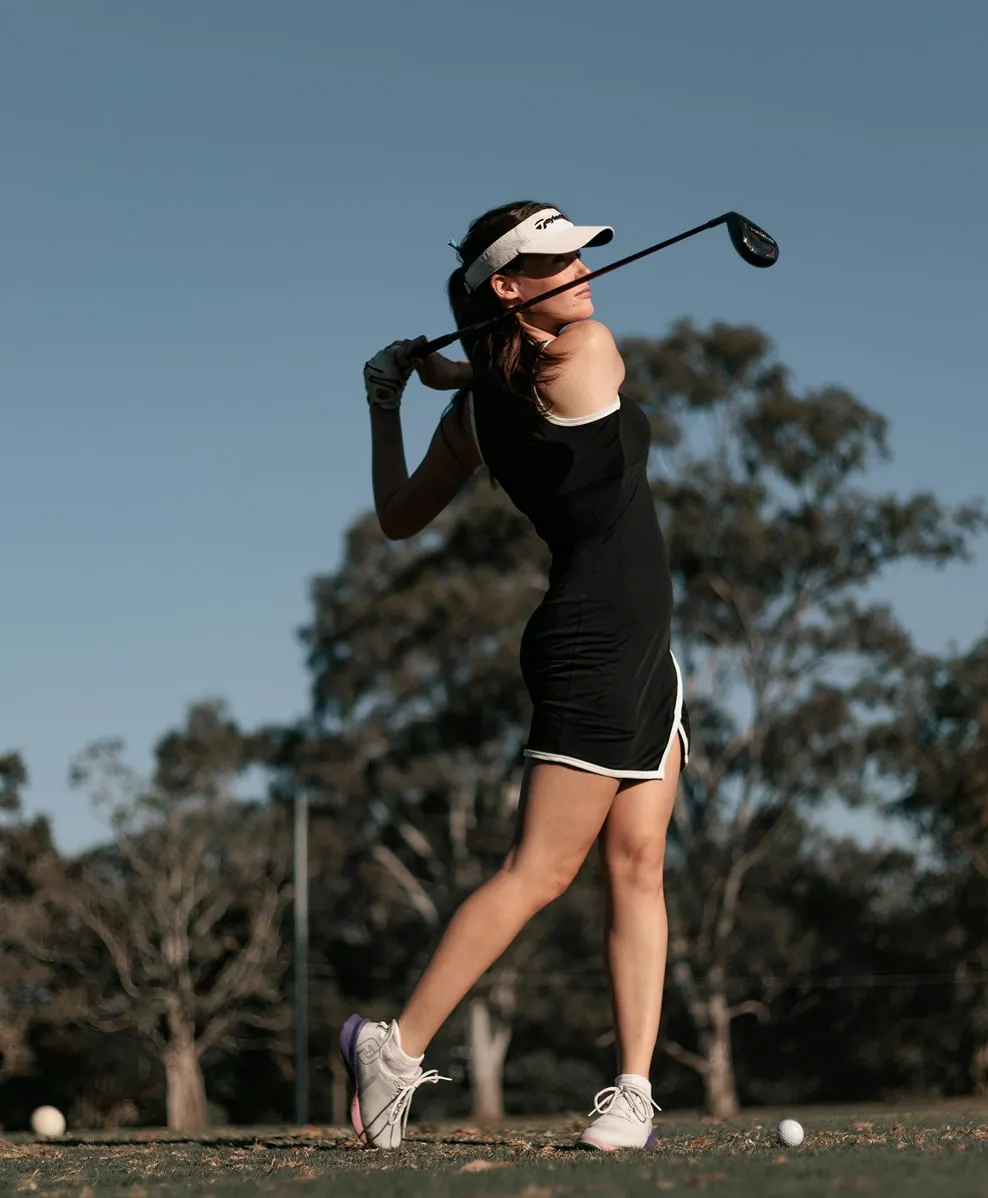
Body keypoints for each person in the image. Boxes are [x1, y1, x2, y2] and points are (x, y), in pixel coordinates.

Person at [341, 201, 689, 1152]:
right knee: (539, 869)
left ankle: (630, 1092)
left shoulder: (470, 417)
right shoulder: (589, 350)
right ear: (506, 285)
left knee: (639, 866)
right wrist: (456, 366)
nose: (583, 270)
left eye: (581, 255)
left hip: (637, 641)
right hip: (598, 640)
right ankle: (394, 1046)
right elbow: (543, 367)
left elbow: (398, 514)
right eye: (559, 258)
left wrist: (394, 398)